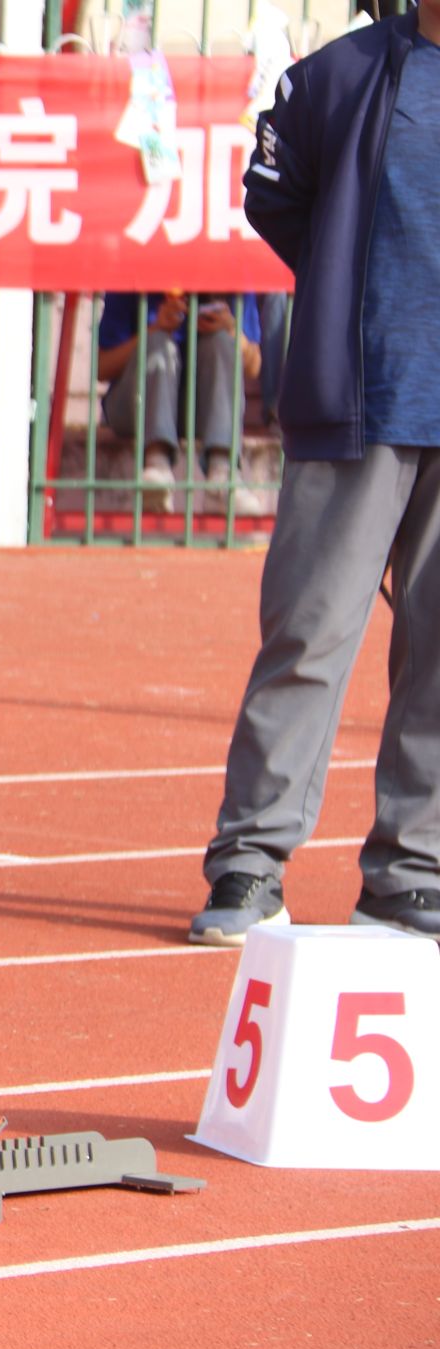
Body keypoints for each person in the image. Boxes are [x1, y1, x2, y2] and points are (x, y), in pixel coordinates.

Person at [188, 0, 440, 945]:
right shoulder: (343, 76)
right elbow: (275, 190)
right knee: (309, 633)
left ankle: (410, 874)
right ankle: (250, 861)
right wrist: (339, 277)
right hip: (360, 402)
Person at [94, 291, 264, 515]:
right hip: (136, 406)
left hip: (198, 411)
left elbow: (254, 366)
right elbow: (101, 367)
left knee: (222, 342)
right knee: (159, 343)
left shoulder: (234, 282)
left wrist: (231, 329)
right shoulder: (132, 278)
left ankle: (222, 475)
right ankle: (156, 467)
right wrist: (154, 330)